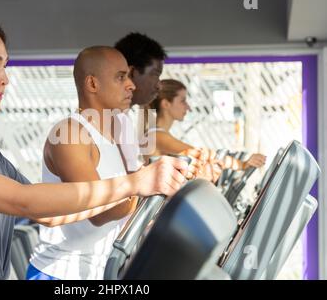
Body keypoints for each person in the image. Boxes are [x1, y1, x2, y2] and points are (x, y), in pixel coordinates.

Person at [0, 9, 188, 280]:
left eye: (4, 67)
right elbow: (24, 200)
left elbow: (48, 212)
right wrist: (133, 184)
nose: (4, 79)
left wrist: (142, 191)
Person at [27, 47, 197, 280]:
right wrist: (146, 184)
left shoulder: (114, 134)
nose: (131, 85)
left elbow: (131, 193)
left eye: (128, 76)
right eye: (120, 77)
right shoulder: (70, 133)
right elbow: (98, 212)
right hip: (60, 274)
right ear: (92, 84)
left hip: (102, 270)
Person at [146, 79, 267, 181]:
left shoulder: (158, 134)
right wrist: (242, 164)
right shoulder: (157, 135)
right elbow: (200, 153)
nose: (188, 107)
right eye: (182, 101)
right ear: (166, 104)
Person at [113, 32, 167, 172]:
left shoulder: (123, 121)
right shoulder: (106, 121)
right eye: (155, 74)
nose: (159, 85)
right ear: (131, 73)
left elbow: (129, 177)